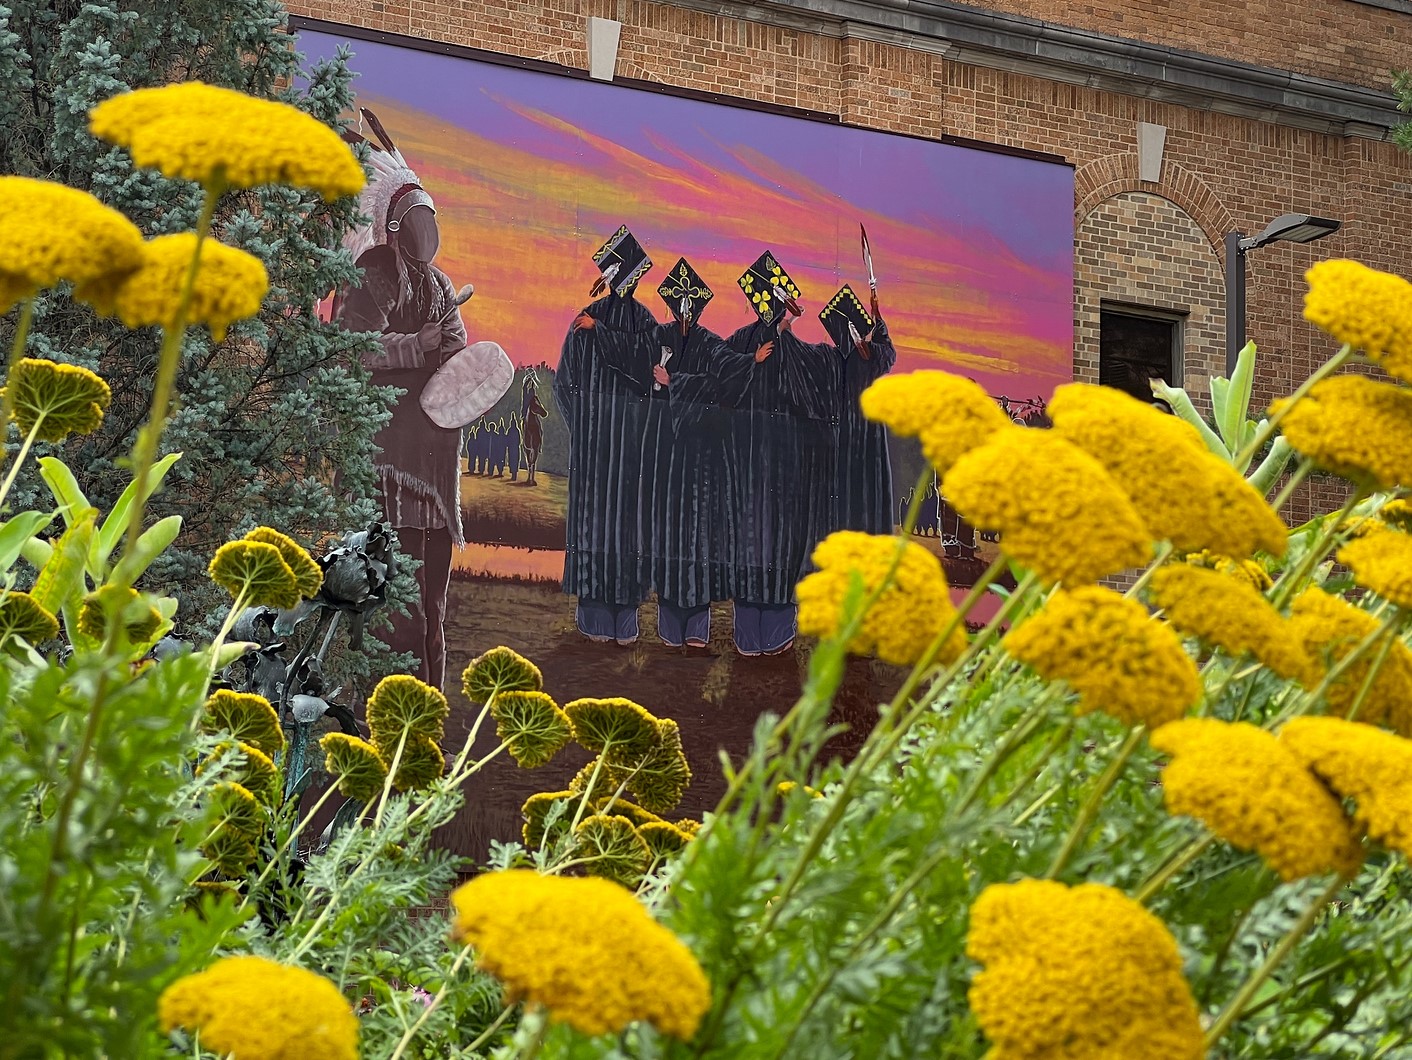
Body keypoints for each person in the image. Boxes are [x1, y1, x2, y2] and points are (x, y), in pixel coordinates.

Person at [333, 110, 468, 691]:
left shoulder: (438, 284)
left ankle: (426, 715)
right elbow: (352, 348)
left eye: (427, 220)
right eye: (414, 221)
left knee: (430, 607)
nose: (423, 232)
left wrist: (453, 355)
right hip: (386, 461)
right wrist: (417, 345)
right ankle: (380, 714)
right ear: (394, 224)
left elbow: (459, 349)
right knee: (388, 601)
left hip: (434, 468)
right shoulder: (371, 273)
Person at [591, 257, 754, 647]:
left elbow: (724, 381)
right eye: (678, 304)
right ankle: (668, 628)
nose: (683, 312)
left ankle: (697, 629)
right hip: (663, 457)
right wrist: (598, 329)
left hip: (699, 460)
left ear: (697, 307)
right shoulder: (656, 336)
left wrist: (674, 381)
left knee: (698, 542)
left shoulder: (712, 344)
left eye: (689, 305)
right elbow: (629, 349)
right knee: (665, 537)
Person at [723, 252, 839, 656]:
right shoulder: (740, 345)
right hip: (750, 468)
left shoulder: (798, 353)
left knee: (777, 547)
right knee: (752, 544)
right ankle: (752, 635)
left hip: (782, 473)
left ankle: (772, 635)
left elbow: (818, 405)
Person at [553, 226, 658, 644]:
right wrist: (585, 430)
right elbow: (564, 384)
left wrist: (601, 332)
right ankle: (600, 622)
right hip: (601, 450)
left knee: (623, 528)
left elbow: (648, 370)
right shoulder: (590, 321)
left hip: (625, 450)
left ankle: (619, 622)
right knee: (602, 527)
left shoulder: (626, 323)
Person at [819, 284, 896, 535]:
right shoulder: (871, 359)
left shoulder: (832, 361)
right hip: (868, 434)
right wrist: (877, 318)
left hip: (843, 435)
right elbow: (888, 352)